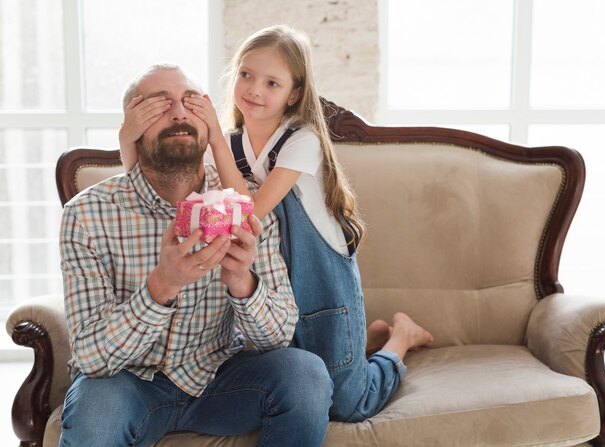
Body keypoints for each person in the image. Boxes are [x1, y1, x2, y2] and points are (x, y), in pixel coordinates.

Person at [119, 25, 433, 423]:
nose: (254, 89)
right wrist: (126, 136)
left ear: (294, 93)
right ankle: (363, 340)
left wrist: (214, 137)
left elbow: (248, 212)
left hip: (319, 280)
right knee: (306, 381)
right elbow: (146, 187)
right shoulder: (232, 144)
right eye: (246, 74)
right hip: (271, 283)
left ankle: (401, 337)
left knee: (349, 405)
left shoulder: (303, 141)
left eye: (272, 82)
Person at [59, 64, 333, 447]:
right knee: (96, 408)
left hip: (220, 380)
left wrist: (242, 283)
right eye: (159, 105)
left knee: (306, 375)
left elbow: (278, 337)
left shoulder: (243, 205)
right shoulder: (86, 214)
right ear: (133, 126)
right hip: (127, 383)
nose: (179, 113)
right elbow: (90, 358)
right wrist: (161, 287)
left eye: (190, 103)